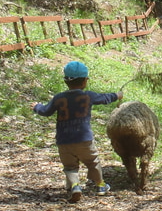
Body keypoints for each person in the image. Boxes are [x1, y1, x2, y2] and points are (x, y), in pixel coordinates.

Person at [31, 60, 122, 203]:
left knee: (70, 166)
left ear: (65, 81)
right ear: (85, 80)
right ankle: (100, 185)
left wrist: (37, 106)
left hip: (64, 141)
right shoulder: (88, 96)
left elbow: (46, 111)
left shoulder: (59, 98)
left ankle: (74, 186)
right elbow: (105, 98)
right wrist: (117, 95)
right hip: (84, 139)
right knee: (92, 161)